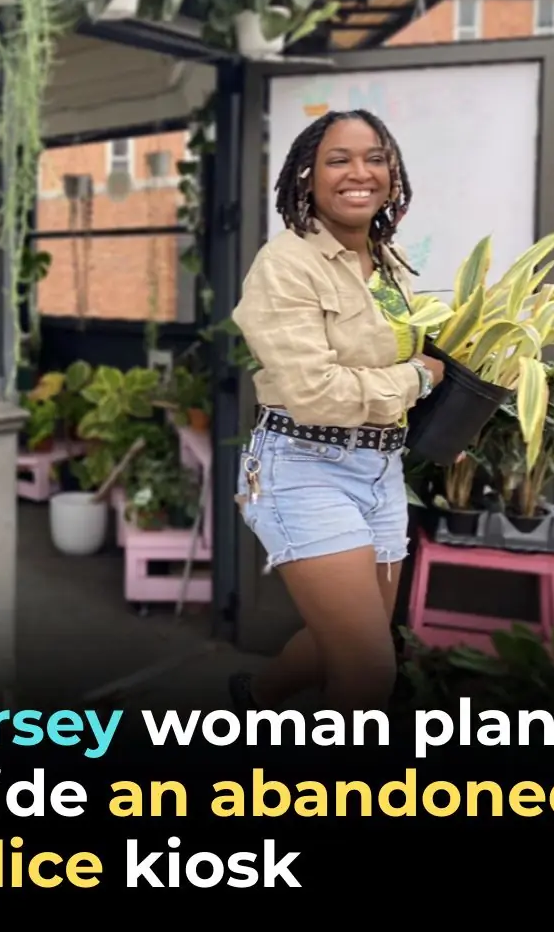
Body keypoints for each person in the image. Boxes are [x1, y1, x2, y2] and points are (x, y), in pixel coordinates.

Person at [228, 108, 445, 714]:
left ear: (392, 173)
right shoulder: (285, 265)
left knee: (349, 642)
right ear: (306, 177)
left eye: (375, 157)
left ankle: (256, 698)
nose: (361, 172)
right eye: (339, 159)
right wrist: (417, 381)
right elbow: (315, 392)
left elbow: (406, 349)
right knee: (370, 670)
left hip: (380, 471)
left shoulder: (387, 264)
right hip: (303, 466)